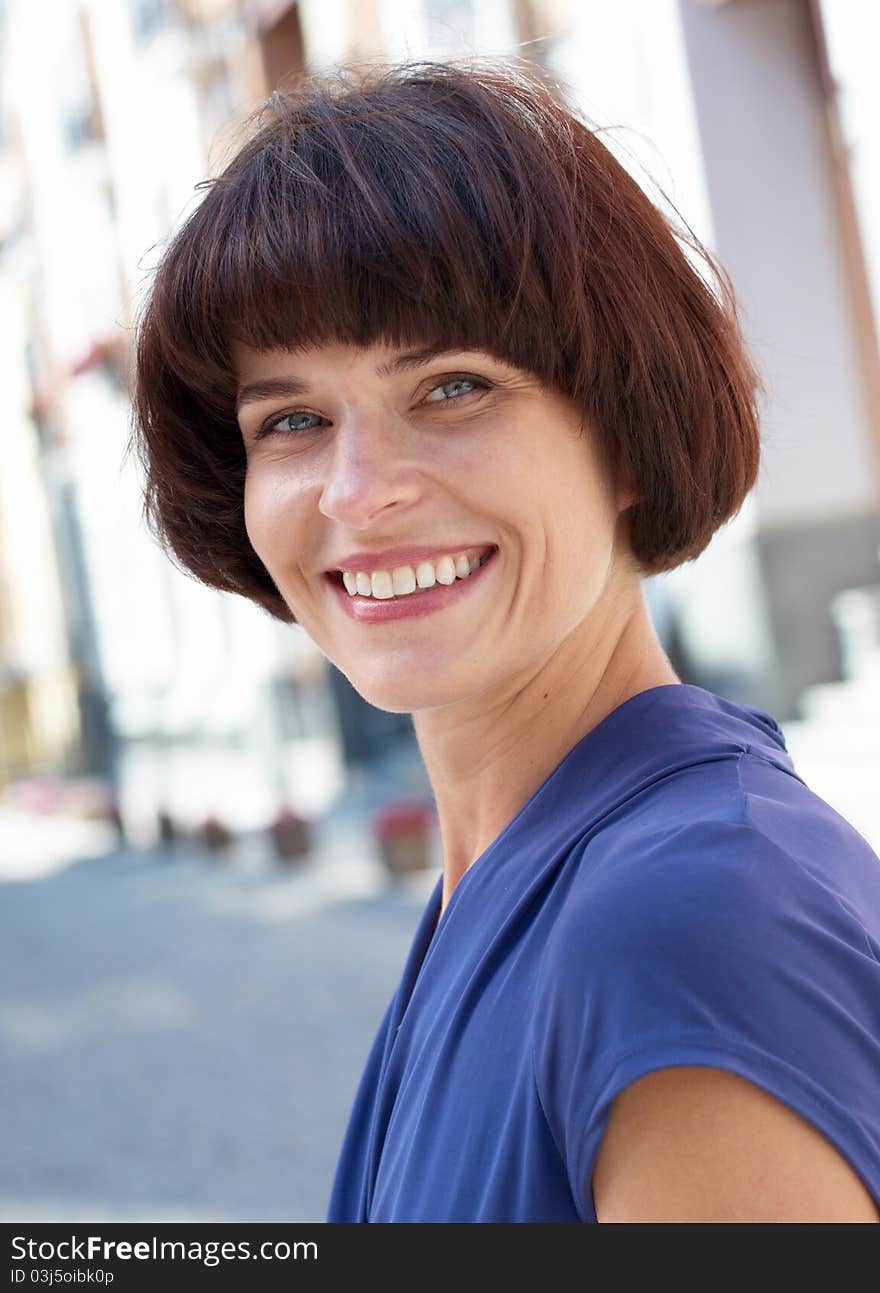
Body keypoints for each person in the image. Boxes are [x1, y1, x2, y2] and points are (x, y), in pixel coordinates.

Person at [130, 58, 880, 1223]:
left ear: (624, 432)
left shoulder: (680, 924)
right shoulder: (518, 874)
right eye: (292, 419)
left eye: (452, 389)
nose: (357, 490)